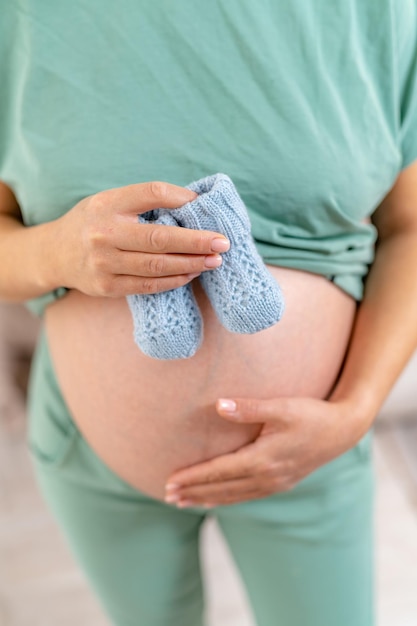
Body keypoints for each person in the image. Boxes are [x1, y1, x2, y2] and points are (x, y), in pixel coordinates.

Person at [1, 2, 417, 625]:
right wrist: (56, 252)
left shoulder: (382, 13)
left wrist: (355, 411)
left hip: (312, 443)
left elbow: (411, 227)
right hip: (91, 453)